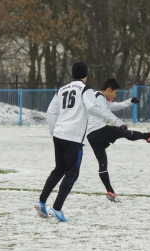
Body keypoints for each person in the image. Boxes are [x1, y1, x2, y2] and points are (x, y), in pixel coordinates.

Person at [34, 62, 125, 222]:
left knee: (59, 169)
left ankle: (41, 201)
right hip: (73, 136)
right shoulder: (85, 89)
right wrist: (114, 119)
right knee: (72, 173)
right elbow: (92, 107)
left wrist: (53, 131)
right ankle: (56, 208)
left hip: (59, 134)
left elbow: (50, 112)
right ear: (85, 75)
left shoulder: (62, 89)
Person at [87, 78, 150, 202]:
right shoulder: (98, 96)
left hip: (91, 135)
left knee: (103, 163)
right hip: (98, 130)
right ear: (109, 89)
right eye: (114, 92)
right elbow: (105, 112)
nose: (115, 95)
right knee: (124, 133)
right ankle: (147, 136)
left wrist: (130, 101)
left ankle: (110, 191)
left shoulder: (99, 98)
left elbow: (114, 106)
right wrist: (118, 124)